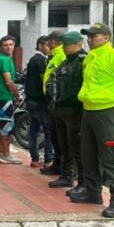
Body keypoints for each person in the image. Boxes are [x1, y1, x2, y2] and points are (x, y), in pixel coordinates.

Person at [71, 23, 114, 218]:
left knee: (112, 159)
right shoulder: (90, 59)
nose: (90, 39)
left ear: (106, 38)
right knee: (88, 155)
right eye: (88, 36)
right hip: (89, 111)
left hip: (108, 112)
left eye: (94, 36)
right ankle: (93, 192)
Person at [46, 31, 87, 191]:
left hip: (74, 110)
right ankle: (66, 176)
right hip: (60, 108)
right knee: (64, 146)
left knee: (77, 148)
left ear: (78, 44)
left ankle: (82, 182)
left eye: (67, 45)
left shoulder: (83, 61)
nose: (64, 48)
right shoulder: (65, 62)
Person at [24, 36, 54, 168]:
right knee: (48, 130)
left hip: (31, 100)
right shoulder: (40, 60)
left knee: (34, 130)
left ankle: (35, 159)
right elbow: (45, 80)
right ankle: (48, 160)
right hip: (40, 101)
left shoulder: (32, 59)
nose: (50, 49)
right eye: (48, 46)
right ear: (40, 45)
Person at [40, 30, 65, 175]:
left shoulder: (61, 55)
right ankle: (57, 164)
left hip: (58, 102)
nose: (47, 44)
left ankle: (64, 169)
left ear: (53, 42)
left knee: (60, 137)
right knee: (55, 136)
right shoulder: (54, 56)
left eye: (48, 41)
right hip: (52, 101)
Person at [0, 36, 22, 164]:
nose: (8, 47)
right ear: (0, 47)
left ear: (14, 45)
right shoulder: (4, 60)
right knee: (6, 127)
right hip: (5, 97)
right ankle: (6, 154)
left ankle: (1, 151)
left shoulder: (1, 59)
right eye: (5, 45)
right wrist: (17, 95)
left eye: (10, 44)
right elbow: (9, 81)